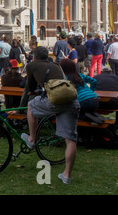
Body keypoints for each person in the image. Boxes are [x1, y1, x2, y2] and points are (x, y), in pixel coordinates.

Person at [21, 46, 80, 184]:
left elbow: (30, 86)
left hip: (54, 100)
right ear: (47, 56)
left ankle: (32, 139)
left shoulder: (31, 65)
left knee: (31, 106)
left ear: (34, 56)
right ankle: (66, 176)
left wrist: (29, 96)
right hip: (71, 100)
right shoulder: (56, 65)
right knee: (70, 140)